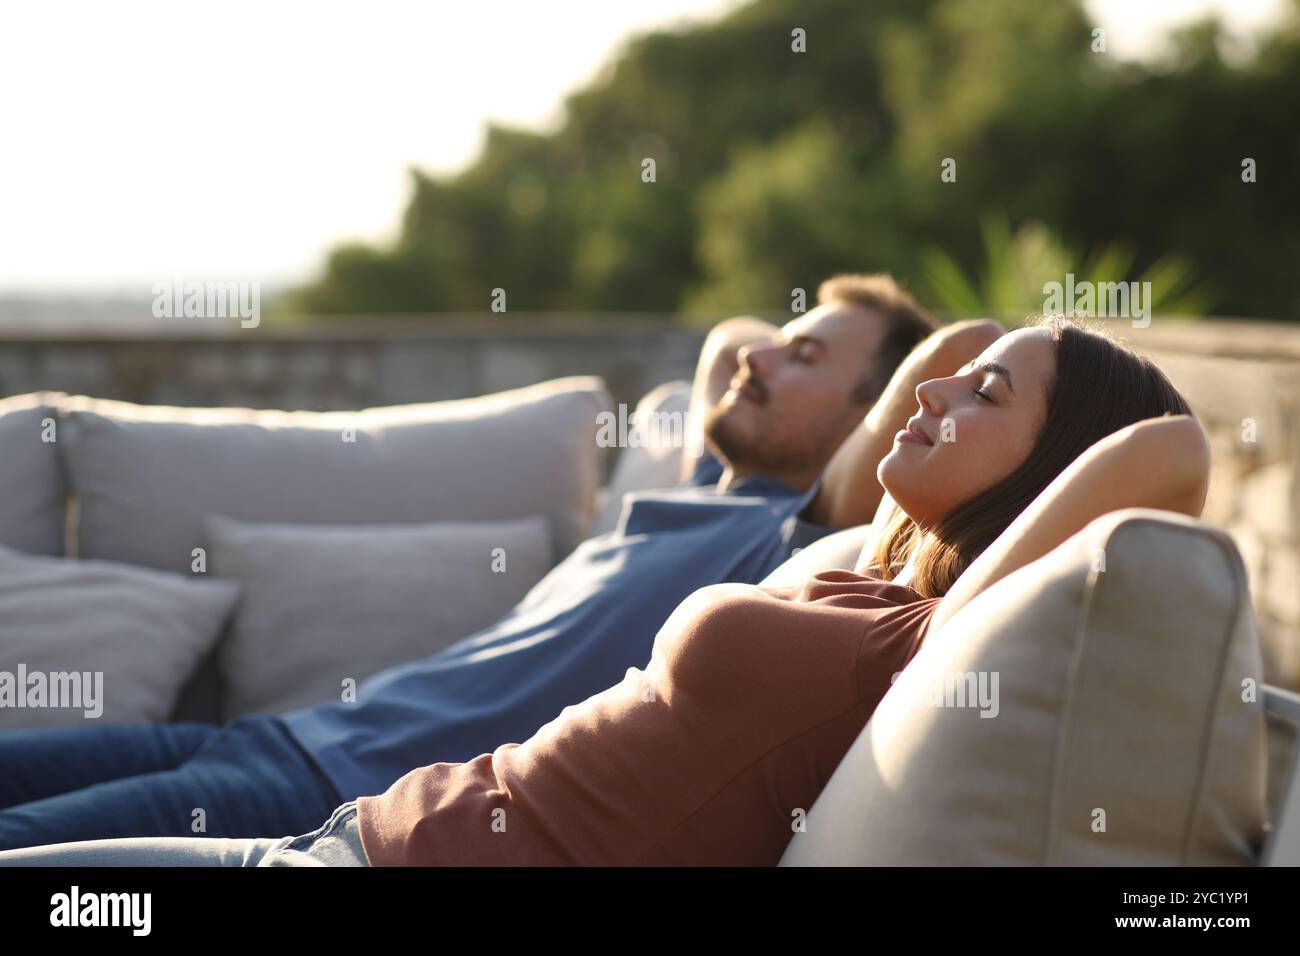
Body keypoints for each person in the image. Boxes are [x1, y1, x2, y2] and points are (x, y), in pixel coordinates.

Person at [0, 314, 1206, 866]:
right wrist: (993, 379)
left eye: (984, 398)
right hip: (361, 811)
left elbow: (1171, 455)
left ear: (1050, 474)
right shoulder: (850, 567)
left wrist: (1003, 354)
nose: (938, 394)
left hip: (337, 820)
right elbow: (761, 345)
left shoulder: (936, 619)